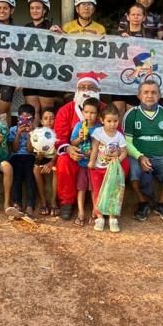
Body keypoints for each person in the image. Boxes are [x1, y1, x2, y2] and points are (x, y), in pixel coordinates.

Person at [124, 79, 163, 222]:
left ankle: (161, 204)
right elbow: (127, 142)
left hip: (162, 156)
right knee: (132, 169)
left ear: (159, 95)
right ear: (139, 95)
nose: (150, 95)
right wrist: (139, 157)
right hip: (139, 156)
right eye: (146, 92)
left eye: (153, 92)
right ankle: (143, 202)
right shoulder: (131, 114)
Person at [53, 73, 106, 221]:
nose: (86, 91)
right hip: (76, 154)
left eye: (91, 87)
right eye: (82, 87)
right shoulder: (66, 110)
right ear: (76, 90)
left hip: (98, 155)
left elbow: (114, 133)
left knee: (119, 163)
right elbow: (59, 137)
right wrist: (68, 148)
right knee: (64, 161)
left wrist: (99, 151)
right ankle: (67, 202)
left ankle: (106, 203)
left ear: (98, 91)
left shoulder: (105, 109)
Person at [88, 103, 129, 232]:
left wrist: (117, 160)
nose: (112, 124)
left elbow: (124, 152)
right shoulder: (98, 132)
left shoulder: (119, 136)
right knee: (97, 192)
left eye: (115, 121)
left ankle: (112, 218)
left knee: (113, 192)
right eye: (109, 121)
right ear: (102, 120)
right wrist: (91, 162)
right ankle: (99, 217)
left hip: (111, 170)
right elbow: (94, 148)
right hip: (97, 169)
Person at [22, 0, 62, 118]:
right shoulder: (26, 27)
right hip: (30, 74)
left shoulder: (51, 27)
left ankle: (47, 132)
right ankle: (34, 131)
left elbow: (65, 46)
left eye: (38, 8)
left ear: (44, 10)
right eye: (32, 8)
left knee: (47, 111)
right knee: (32, 111)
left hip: (47, 74)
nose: (34, 11)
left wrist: (60, 33)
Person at [114, 3, 155, 116]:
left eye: (139, 15)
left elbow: (155, 53)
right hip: (120, 76)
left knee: (131, 111)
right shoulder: (118, 35)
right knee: (118, 110)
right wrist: (121, 41)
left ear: (144, 17)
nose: (136, 17)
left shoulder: (149, 36)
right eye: (133, 14)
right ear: (128, 17)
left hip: (138, 79)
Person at [69, 97, 100, 226]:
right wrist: (80, 138)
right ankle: (81, 212)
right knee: (81, 188)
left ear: (98, 114)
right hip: (82, 164)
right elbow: (72, 142)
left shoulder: (99, 128)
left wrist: (93, 151)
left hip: (95, 165)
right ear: (82, 112)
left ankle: (94, 211)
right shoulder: (79, 126)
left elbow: (103, 145)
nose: (89, 115)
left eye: (93, 113)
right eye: (86, 112)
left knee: (94, 189)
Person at [5, 103, 39, 220]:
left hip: (30, 156)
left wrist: (30, 135)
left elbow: (30, 150)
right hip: (16, 156)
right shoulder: (13, 130)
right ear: (18, 118)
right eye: (22, 119)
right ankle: (17, 205)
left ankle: (30, 206)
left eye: (28, 119)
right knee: (17, 177)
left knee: (30, 177)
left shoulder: (36, 131)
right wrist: (18, 134)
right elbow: (15, 149)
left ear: (33, 120)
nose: (25, 122)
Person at [34, 107, 59, 216]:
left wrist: (51, 163)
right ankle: (43, 200)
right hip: (43, 157)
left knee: (56, 170)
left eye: (52, 118)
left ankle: (53, 201)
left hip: (55, 158)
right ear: (41, 121)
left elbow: (59, 151)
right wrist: (39, 156)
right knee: (36, 169)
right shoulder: (38, 133)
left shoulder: (58, 133)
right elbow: (37, 158)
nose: (49, 121)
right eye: (45, 118)